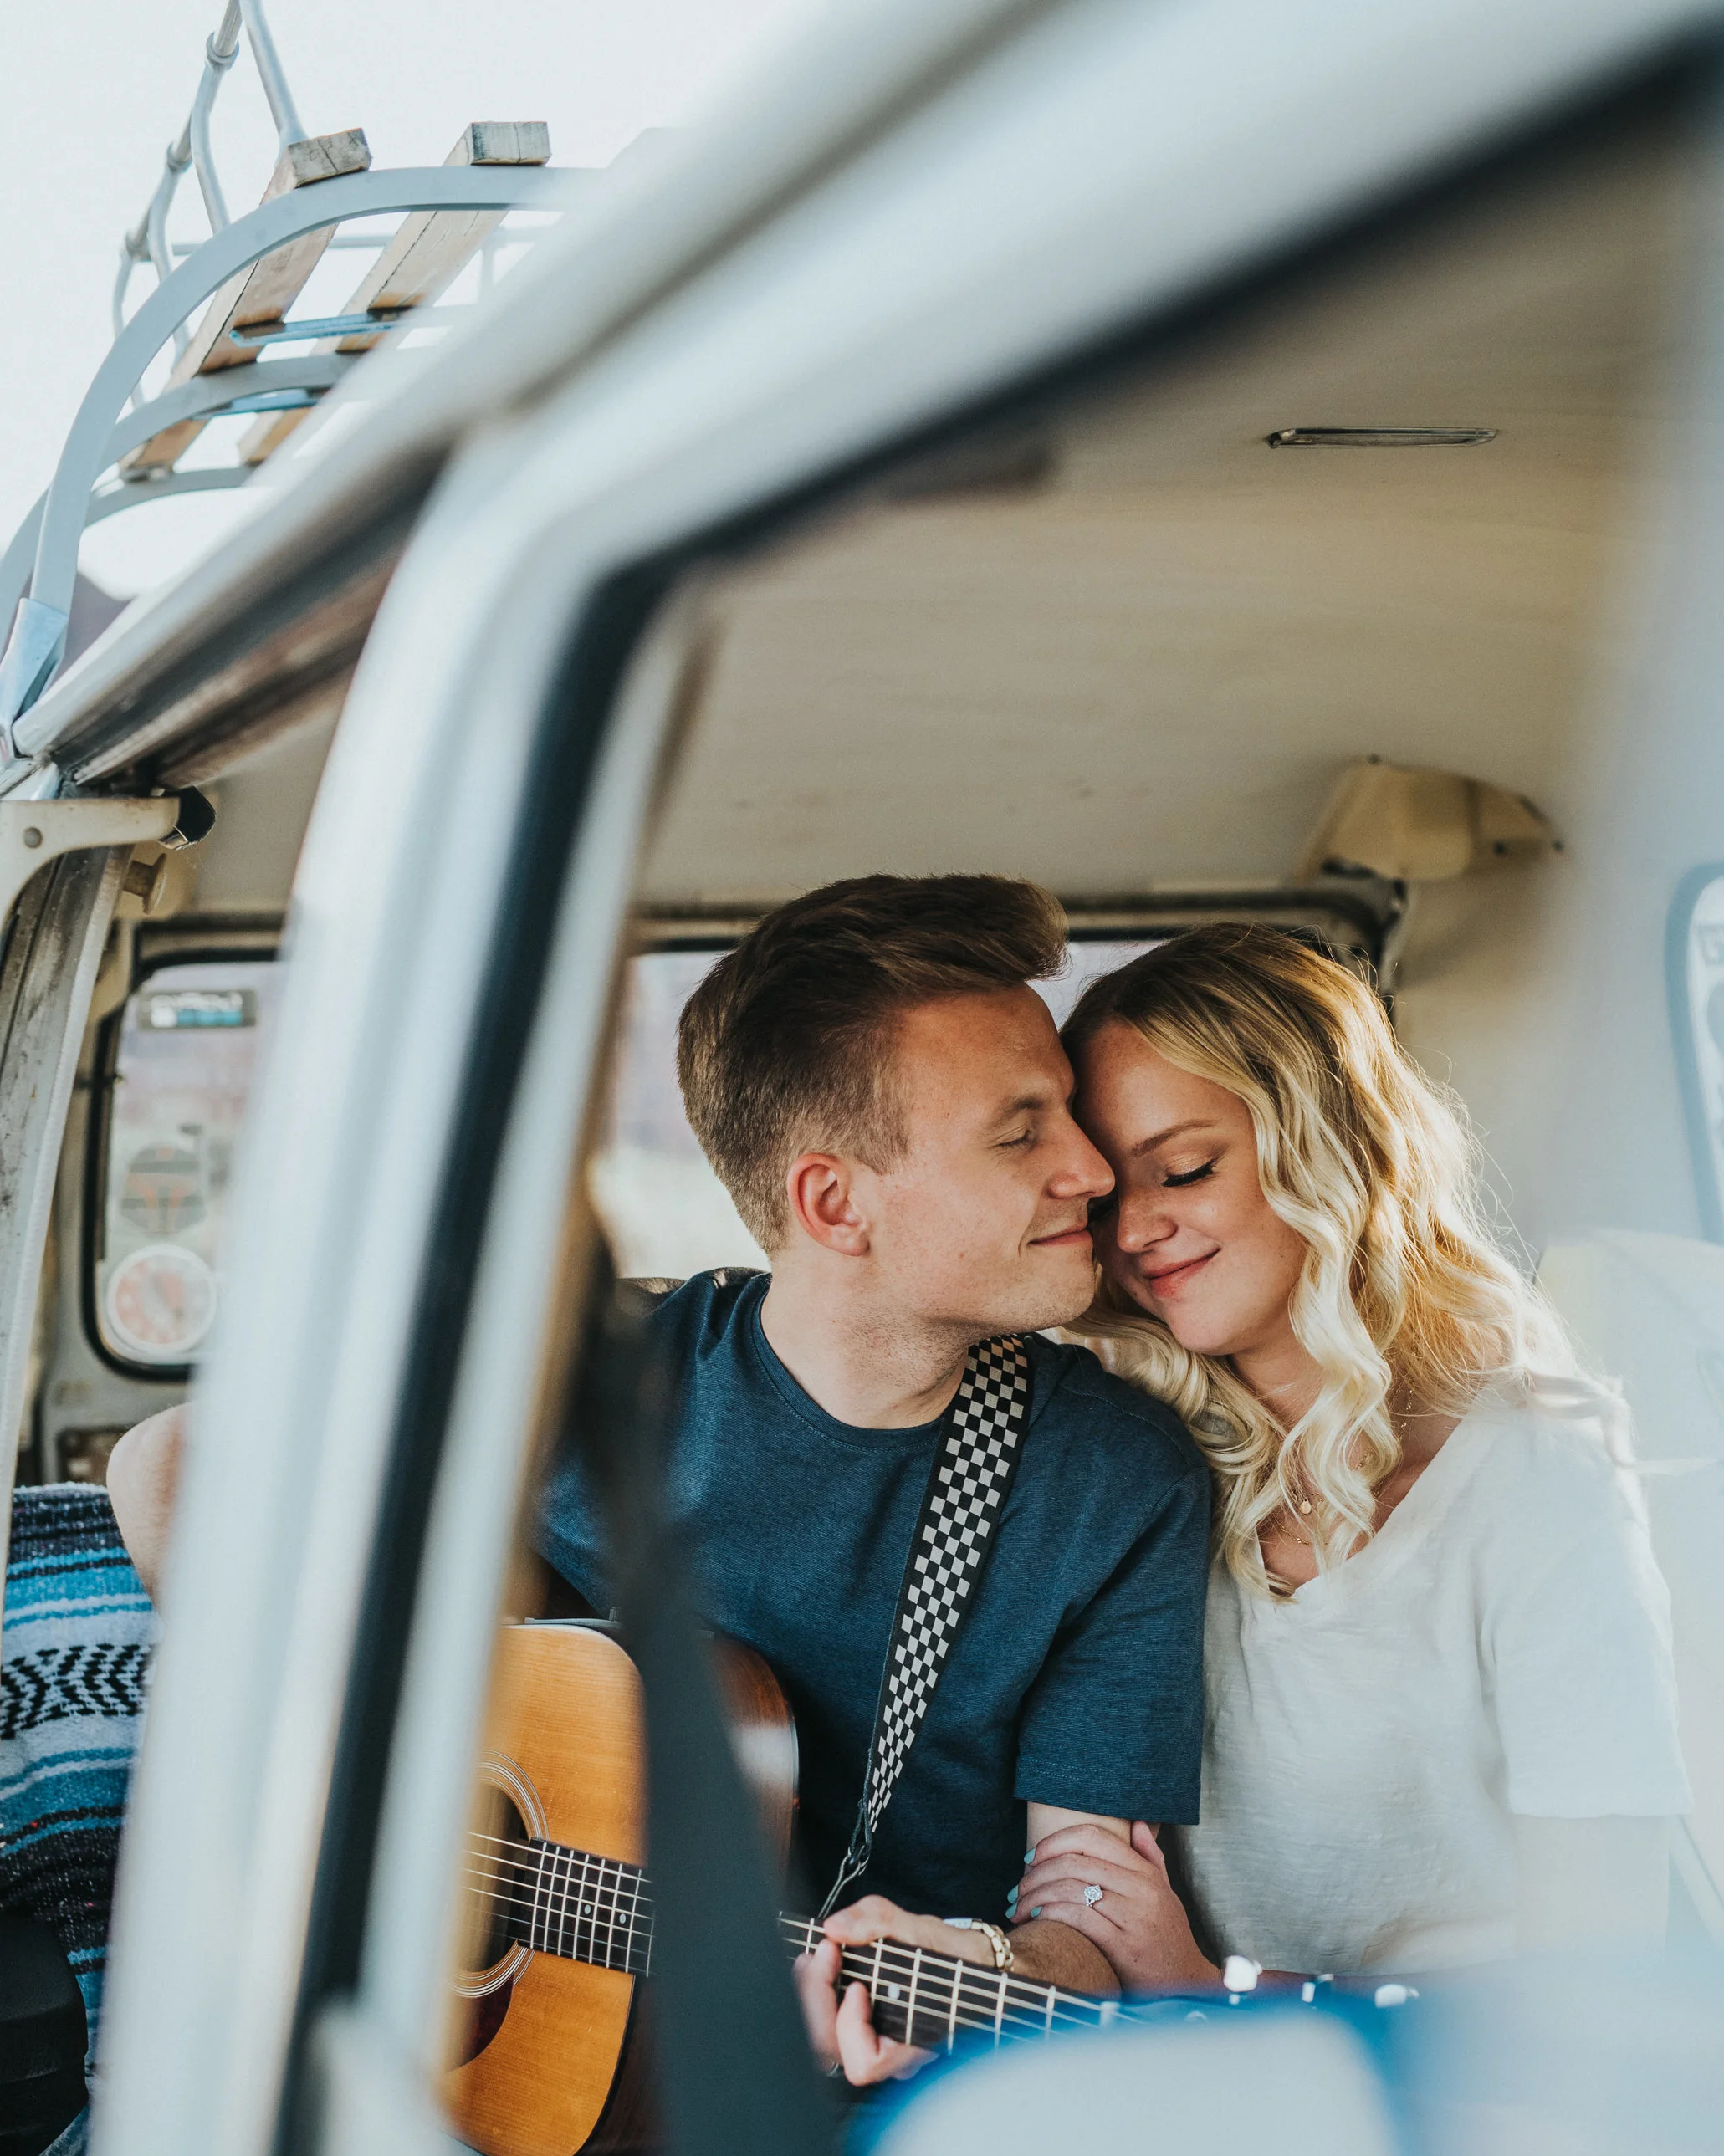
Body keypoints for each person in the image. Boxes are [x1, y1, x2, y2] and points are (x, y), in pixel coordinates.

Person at [110, 880, 1213, 2094]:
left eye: (1068, 1115)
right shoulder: (581, 1379)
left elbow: (1093, 1912)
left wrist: (997, 1964)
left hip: (874, 2092)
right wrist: (366, 1804)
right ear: (833, 1202)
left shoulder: (1113, 1481)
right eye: (1020, 1133)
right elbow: (171, 1466)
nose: (1092, 1169)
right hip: (518, 2072)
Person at [1014, 924, 1690, 1985]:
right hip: (1150, 2059)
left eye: (1183, 1169)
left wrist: (1215, 1994)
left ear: (1329, 1143)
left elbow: (1599, 1986)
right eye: (1106, 1198)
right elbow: (1075, 1894)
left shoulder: (1538, 1478)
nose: (1134, 1229)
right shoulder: (1122, 1461)